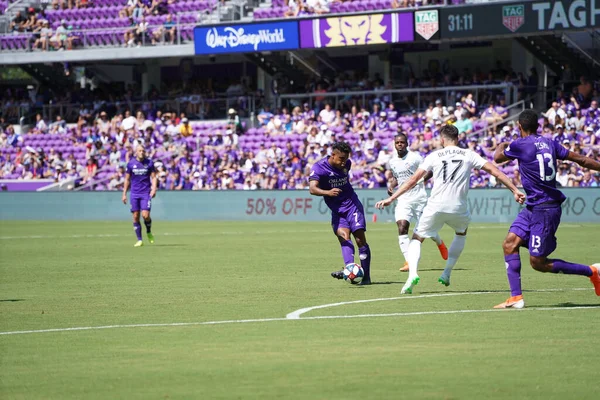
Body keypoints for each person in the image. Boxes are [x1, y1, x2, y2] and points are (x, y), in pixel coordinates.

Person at [376, 125, 525, 294]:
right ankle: (446, 273)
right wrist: (515, 189)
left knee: (417, 238)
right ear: (458, 138)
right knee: (461, 233)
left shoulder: (434, 156)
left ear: (442, 139)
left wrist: (391, 198)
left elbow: (412, 180)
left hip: (435, 206)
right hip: (458, 207)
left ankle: (412, 275)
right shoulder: (469, 154)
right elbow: (495, 171)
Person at [492, 109, 600, 309]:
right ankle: (516, 298)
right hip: (532, 206)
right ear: (538, 126)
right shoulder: (550, 143)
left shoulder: (519, 144)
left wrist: (503, 143)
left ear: (520, 127)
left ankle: (592, 272)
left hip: (545, 209)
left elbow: (498, 158)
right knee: (509, 244)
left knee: (538, 263)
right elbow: (581, 160)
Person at [309, 141, 372, 285]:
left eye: (346, 158)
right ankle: (350, 271)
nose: (344, 162)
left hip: (352, 206)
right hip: (337, 210)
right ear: (333, 155)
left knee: (360, 240)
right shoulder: (319, 168)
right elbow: (312, 189)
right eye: (341, 159)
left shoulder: (347, 164)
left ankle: (366, 277)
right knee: (344, 237)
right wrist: (327, 192)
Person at [387, 133, 448, 272]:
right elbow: (398, 177)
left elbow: (429, 172)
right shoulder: (392, 162)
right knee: (402, 227)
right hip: (403, 199)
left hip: (419, 199)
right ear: (394, 144)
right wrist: (392, 185)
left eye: (402, 142)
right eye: (397, 142)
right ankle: (409, 261)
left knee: (426, 230)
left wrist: (417, 181)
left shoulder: (415, 158)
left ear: (407, 144)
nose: (400, 144)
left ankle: (440, 243)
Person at [122, 145, 157, 247]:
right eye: (140, 150)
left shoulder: (149, 163)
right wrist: (124, 193)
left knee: (145, 215)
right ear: (136, 152)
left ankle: (149, 231)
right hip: (134, 194)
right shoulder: (131, 164)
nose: (142, 152)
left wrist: (154, 189)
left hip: (145, 193)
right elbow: (127, 179)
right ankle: (140, 240)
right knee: (136, 216)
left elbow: (154, 177)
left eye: (143, 150)